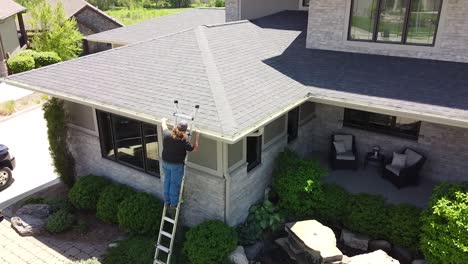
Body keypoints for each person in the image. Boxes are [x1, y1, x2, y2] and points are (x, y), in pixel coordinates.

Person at [161, 118, 199, 214]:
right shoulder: (183, 141)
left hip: (165, 163)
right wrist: (197, 135)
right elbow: (194, 149)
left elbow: (164, 126)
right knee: (174, 184)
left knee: (167, 182)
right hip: (176, 166)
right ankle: (173, 204)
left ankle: (167, 201)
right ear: (185, 130)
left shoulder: (167, 134)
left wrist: (163, 120)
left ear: (176, 127)